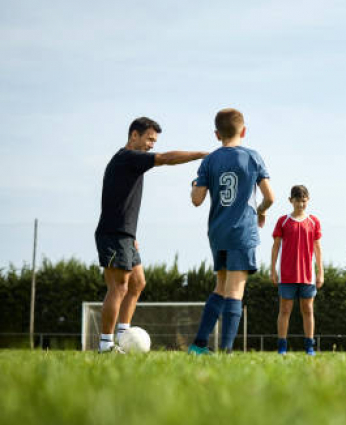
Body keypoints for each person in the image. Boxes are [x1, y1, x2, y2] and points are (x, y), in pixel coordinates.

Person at [95, 117, 207, 353]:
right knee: (119, 286)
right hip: (114, 233)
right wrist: (202, 154)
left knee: (137, 282)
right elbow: (166, 159)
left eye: (154, 141)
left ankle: (124, 336)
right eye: (149, 139)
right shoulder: (127, 157)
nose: (151, 145)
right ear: (134, 135)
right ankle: (105, 346)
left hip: (125, 234)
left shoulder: (130, 161)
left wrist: (131, 234)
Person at [188, 108, 274, 355]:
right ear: (244, 130)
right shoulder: (253, 157)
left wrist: (195, 184)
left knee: (221, 286)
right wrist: (262, 211)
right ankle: (226, 351)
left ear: (217, 135)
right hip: (242, 231)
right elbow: (270, 197)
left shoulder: (210, 160)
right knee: (235, 290)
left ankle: (199, 345)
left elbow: (197, 200)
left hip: (217, 231)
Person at [270, 185, 324, 355]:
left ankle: (309, 346)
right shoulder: (283, 221)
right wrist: (273, 269)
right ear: (290, 201)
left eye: (303, 201)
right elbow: (276, 246)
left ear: (307, 200)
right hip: (286, 274)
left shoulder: (313, 221)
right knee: (284, 310)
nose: (300, 205)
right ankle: (282, 347)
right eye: (297, 201)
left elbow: (318, 249)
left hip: (308, 275)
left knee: (308, 310)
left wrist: (320, 272)